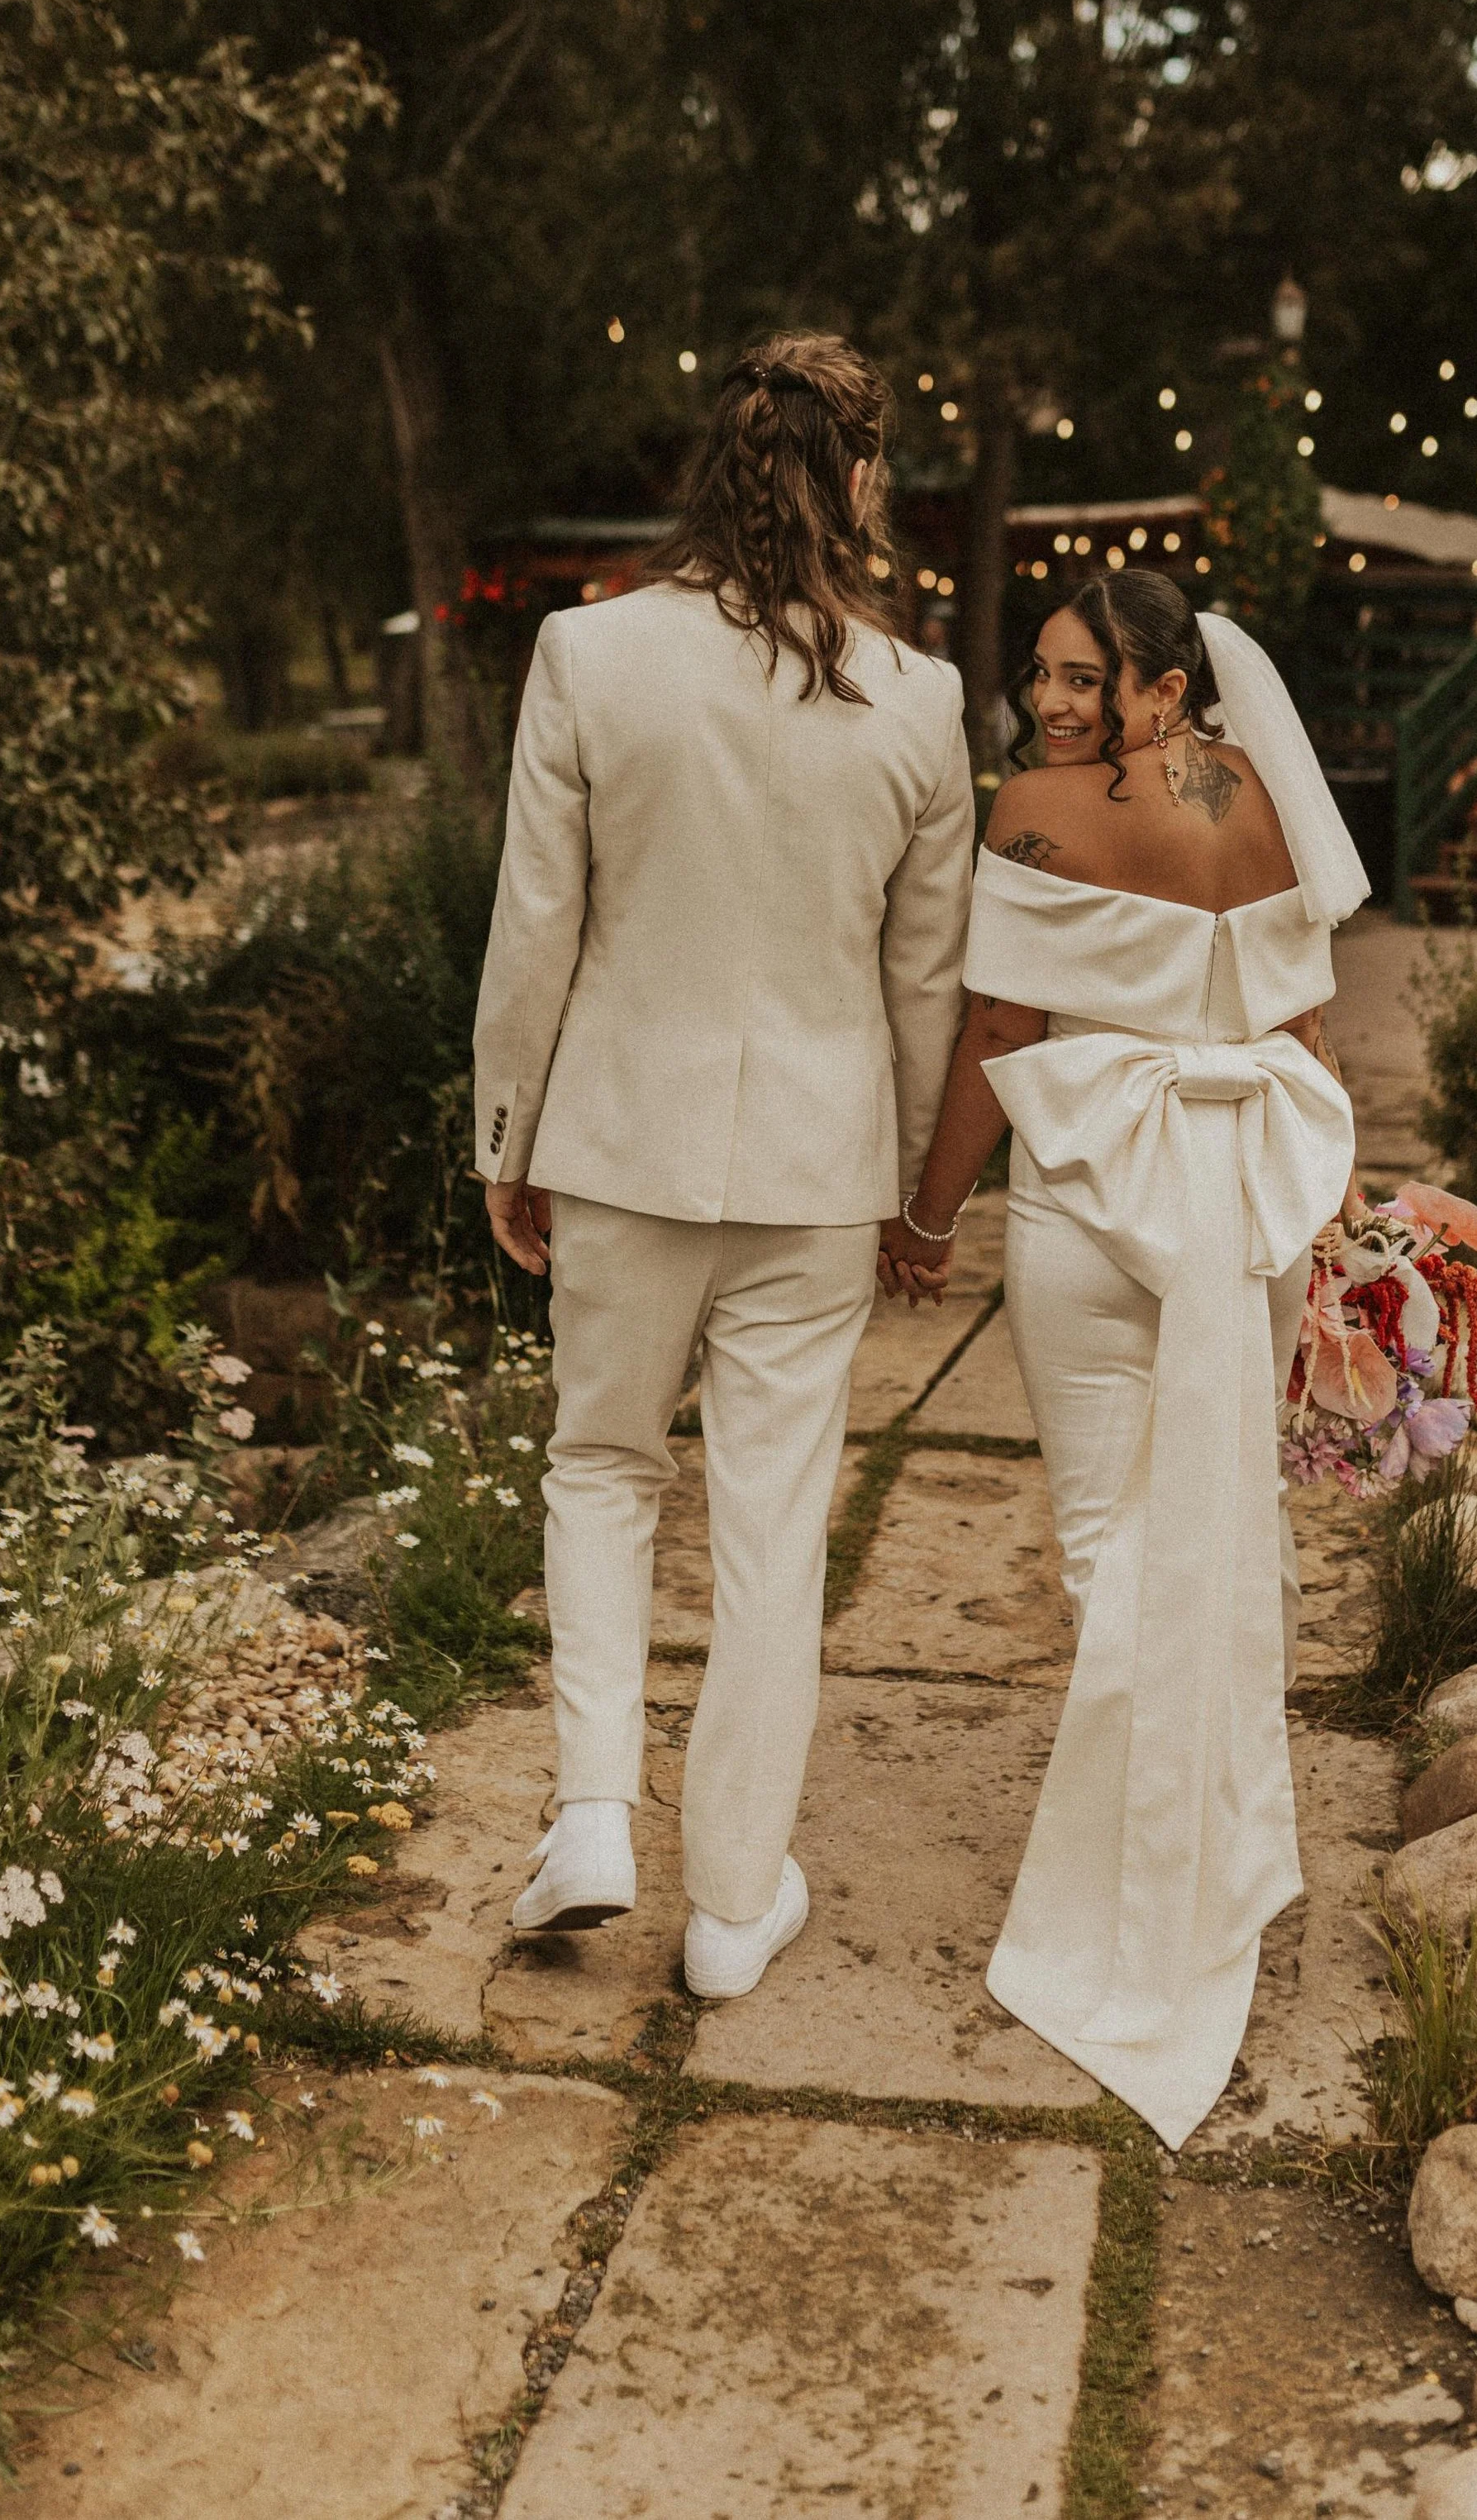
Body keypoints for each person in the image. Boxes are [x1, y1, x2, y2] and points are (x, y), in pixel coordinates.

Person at [473, 331, 974, 1998]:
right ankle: (731, 1906)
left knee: (603, 1467)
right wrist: (915, 1195)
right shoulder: (917, 700)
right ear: (859, 480)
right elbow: (925, 980)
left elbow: (537, 925)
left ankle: (595, 1814)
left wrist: (506, 1132)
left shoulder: (588, 655)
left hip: (618, 1140)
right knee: (772, 1525)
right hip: (818, 1174)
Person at [895, 571, 1366, 2146]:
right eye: (1040, 675)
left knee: (1110, 1550)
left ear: (1168, 684)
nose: (1051, 702)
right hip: (1249, 1208)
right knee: (1228, 1518)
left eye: (1086, 675)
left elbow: (996, 1034)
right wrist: (1339, 1207)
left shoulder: (1039, 810)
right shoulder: (1274, 808)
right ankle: (1216, 1857)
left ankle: (1149, 1901)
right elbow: (1303, 1025)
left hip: (1100, 1200)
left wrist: (929, 1205)